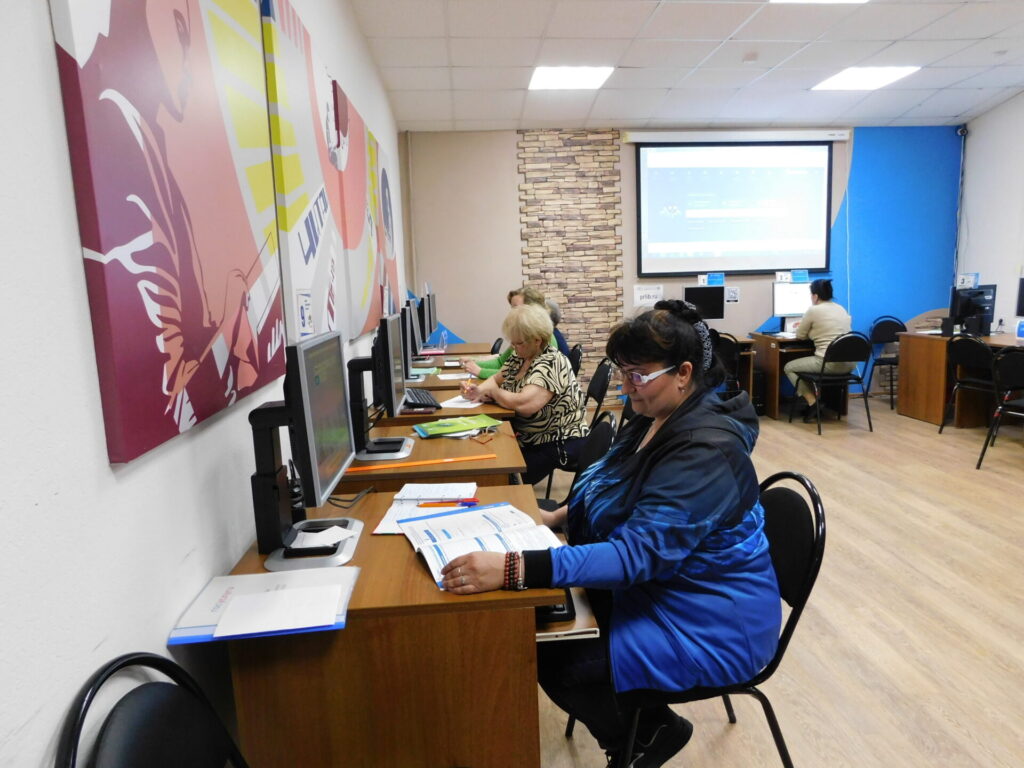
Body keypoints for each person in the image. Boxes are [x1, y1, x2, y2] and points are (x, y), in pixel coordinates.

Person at [442, 300, 781, 767]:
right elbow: (611, 487)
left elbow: (633, 557)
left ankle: (647, 734)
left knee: (556, 655)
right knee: (546, 625)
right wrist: (557, 518)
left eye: (637, 374)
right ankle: (638, 728)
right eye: (622, 372)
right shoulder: (655, 413)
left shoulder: (706, 451)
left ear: (684, 373)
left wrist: (515, 567)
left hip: (709, 620)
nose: (626, 386)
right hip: (664, 587)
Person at [460, 304, 588, 485]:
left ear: (537, 340)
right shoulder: (520, 356)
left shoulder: (551, 362)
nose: (514, 347)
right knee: (485, 457)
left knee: (501, 478)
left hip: (555, 440)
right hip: (528, 437)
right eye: (512, 342)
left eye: (519, 343)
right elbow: (496, 379)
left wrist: (494, 393)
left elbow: (525, 405)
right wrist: (477, 391)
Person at [783, 278, 853, 422]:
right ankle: (818, 404)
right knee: (810, 366)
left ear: (815, 296)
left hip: (829, 364)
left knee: (789, 367)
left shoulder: (814, 310)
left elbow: (800, 336)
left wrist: (806, 329)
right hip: (849, 364)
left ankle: (813, 402)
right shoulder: (841, 309)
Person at [460, 285, 559, 378]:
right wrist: (474, 363)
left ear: (533, 309)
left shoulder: (546, 340)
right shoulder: (521, 336)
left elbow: (522, 376)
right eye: (512, 308)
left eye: (516, 308)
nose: (512, 313)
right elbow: (501, 363)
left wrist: (480, 371)